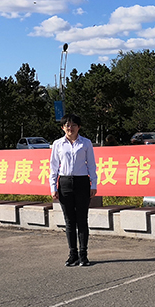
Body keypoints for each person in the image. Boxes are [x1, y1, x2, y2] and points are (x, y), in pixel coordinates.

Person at [50, 113, 97, 267]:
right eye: (67, 125)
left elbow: (91, 165)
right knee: (69, 221)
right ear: (63, 127)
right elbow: (53, 167)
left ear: (79, 127)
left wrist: (93, 184)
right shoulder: (58, 144)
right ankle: (73, 254)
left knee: (82, 220)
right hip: (65, 183)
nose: (70, 128)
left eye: (73, 125)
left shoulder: (86, 143)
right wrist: (53, 187)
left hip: (82, 182)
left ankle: (83, 255)